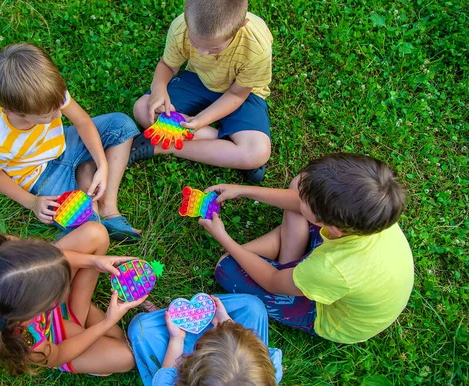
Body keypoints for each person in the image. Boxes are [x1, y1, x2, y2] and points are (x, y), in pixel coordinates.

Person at [199, 153, 414, 344]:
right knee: (298, 184)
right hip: (340, 268)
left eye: (306, 202)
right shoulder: (370, 211)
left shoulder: (331, 268)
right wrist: (243, 190)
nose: (301, 197)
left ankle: (289, 266)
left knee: (226, 266)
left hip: (325, 313)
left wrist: (224, 237)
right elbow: (301, 196)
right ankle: (290, 263)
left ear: (333, 227)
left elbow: (273, 281)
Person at [0, 43, 140, 242]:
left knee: (121, 125)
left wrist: (102, 163)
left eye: (58, 107)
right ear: (13, 113)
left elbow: (82, 121)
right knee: (88, 225)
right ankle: (87, 179)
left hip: (64, 145)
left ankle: (107, 202)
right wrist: (32, 202)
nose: (58, 114)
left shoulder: (49, 93)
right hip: (41, 177)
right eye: (48, 115)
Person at [0, 222, 147, 376]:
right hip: (53, 337)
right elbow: (60, 354)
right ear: (39, 310)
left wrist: (94, 261)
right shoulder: (27, 342)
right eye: (59, 293)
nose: (66, 288)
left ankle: (80, 312)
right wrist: (107, 322)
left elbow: (53, 257)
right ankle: (82, 313)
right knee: (126, 357)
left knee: (96, 234)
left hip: (43, 311)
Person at [130, 0, 273, 183]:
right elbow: (167, 65)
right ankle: (227, 148)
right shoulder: (181, 26)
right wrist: (158, 90)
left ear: (240, 27)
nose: (203, 52)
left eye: (214, 48)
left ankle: (165, 146)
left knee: (258, 153)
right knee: (143, 109)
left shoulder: (256, 46)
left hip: (241, 93)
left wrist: (200, 121)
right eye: (194, 42)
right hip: (197, 78)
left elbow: (237, 94)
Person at [128, 294, 283, 385]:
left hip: (174, 357)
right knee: (253, 307)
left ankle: (171, 320)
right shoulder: (267, 373)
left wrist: (176, 339)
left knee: (140, 329)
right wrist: (228, 324)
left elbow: (167, 374)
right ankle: (223, 328)